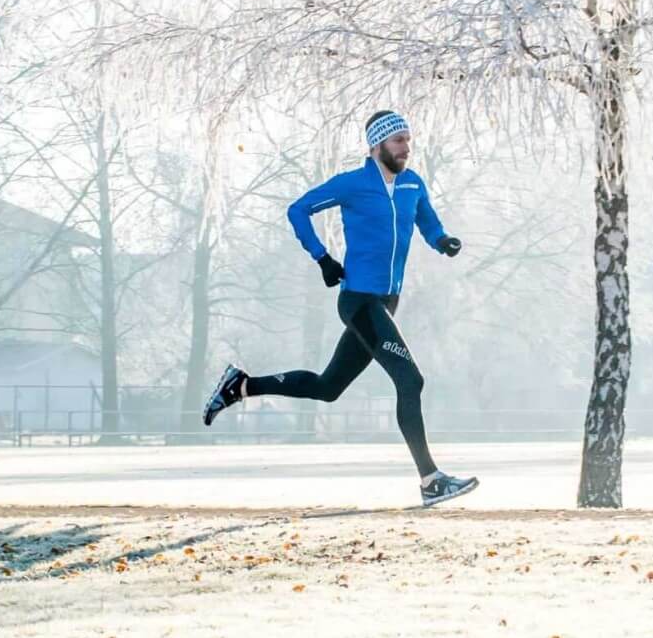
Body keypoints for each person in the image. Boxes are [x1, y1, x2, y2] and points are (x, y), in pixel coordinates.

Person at [203, 110, 478, 507]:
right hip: (360, 302)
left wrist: (442, 240)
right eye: (398, 140)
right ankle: (431, 480)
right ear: (377, 145)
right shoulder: (352, 184)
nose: (406, 147)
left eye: (408, 139)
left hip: (387, 302)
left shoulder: (412, 183)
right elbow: (297, 210)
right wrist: (322, 258)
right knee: (410, 380)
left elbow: (426, 220)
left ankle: (241, 385)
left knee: (328, 387)